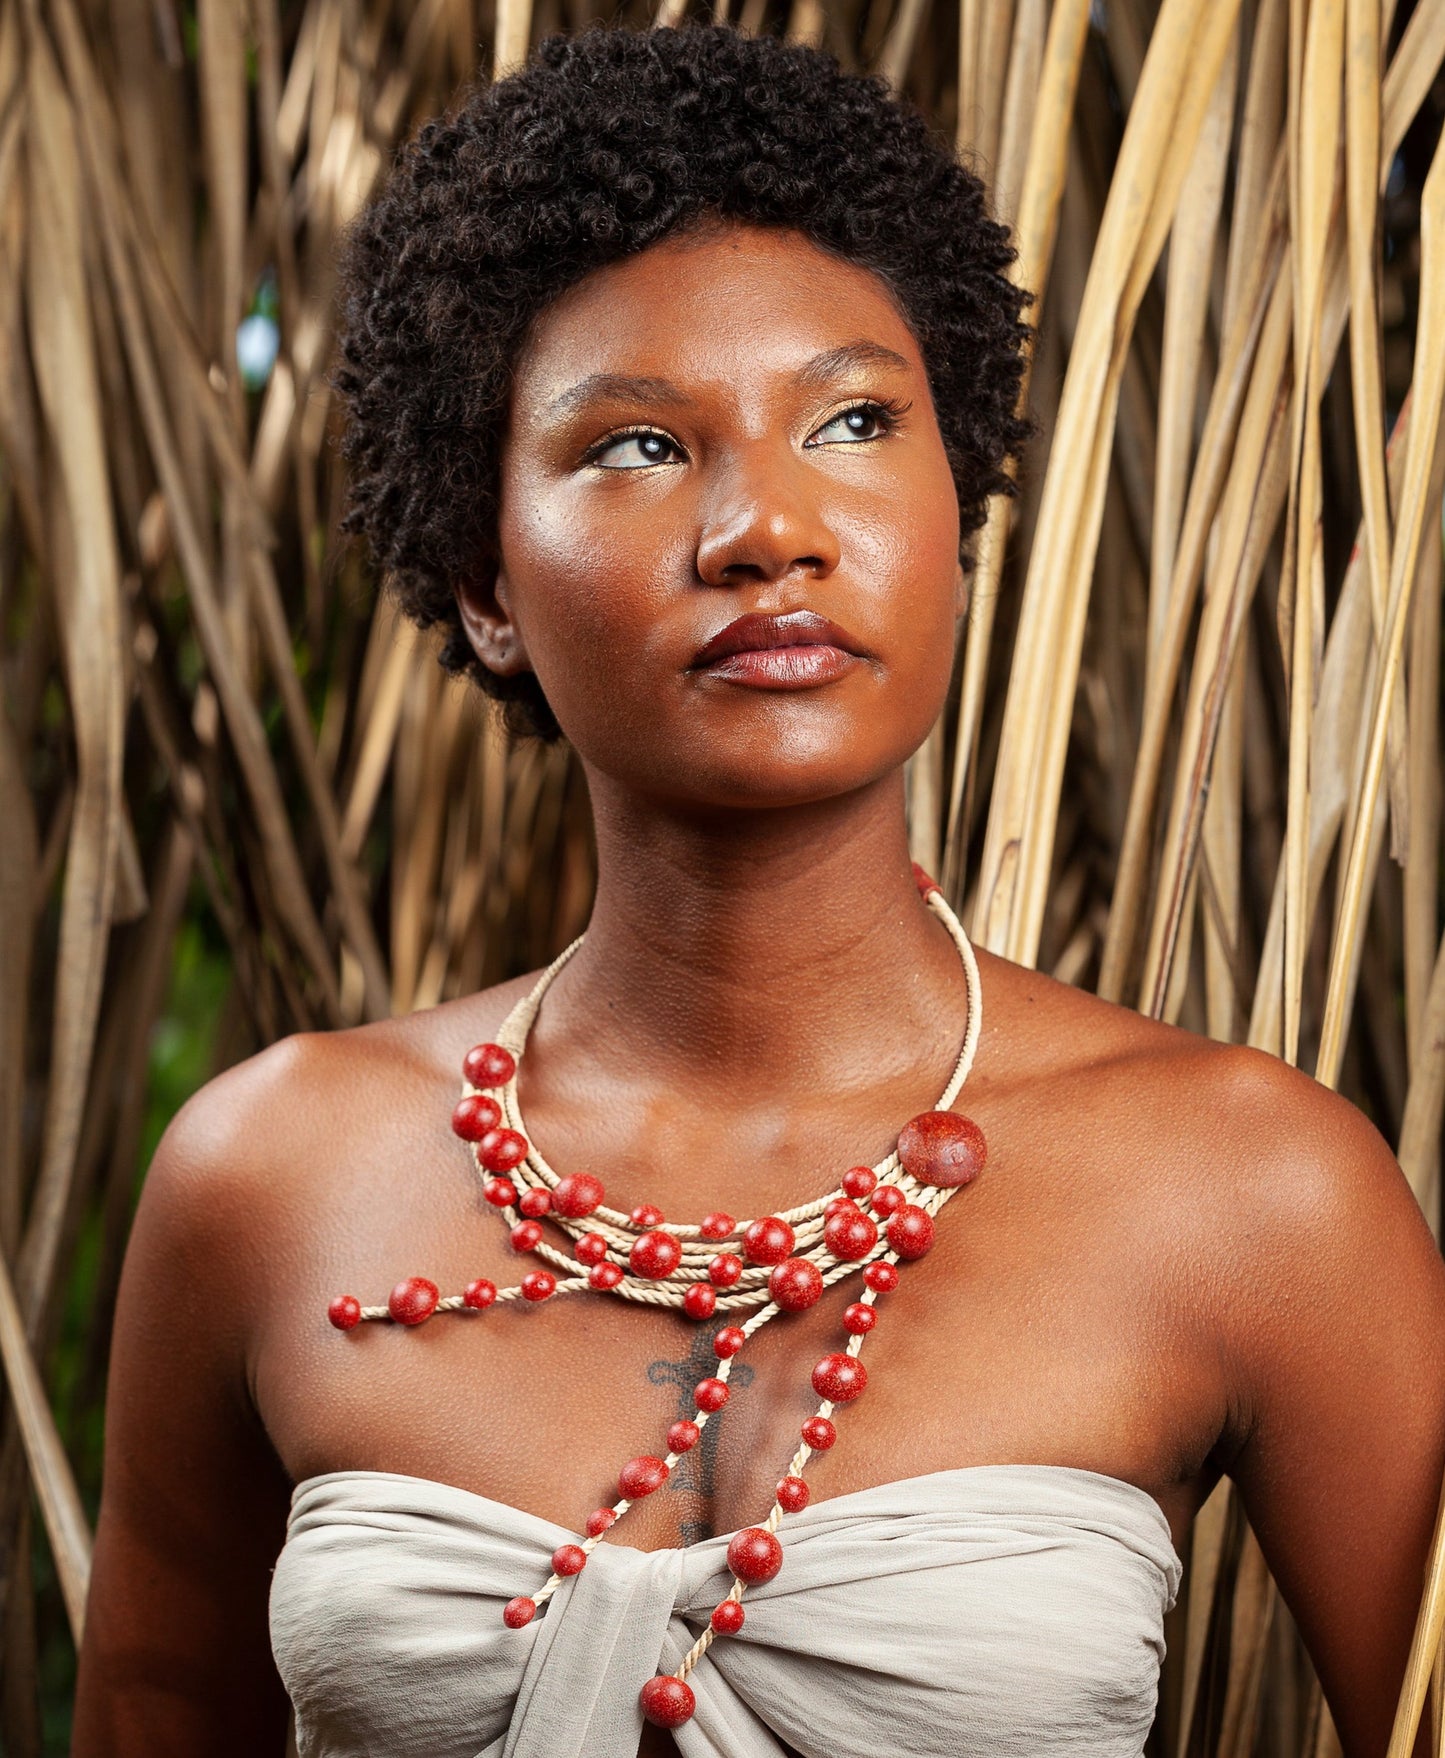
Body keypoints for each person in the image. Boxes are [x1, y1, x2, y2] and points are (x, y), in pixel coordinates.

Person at [72, 23, 1445, 1758]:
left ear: (958, 511)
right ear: (484, 581)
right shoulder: (270, 1174)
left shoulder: (1254, 1188)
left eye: (854, 420)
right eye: (638, 446)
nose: (765, 528)